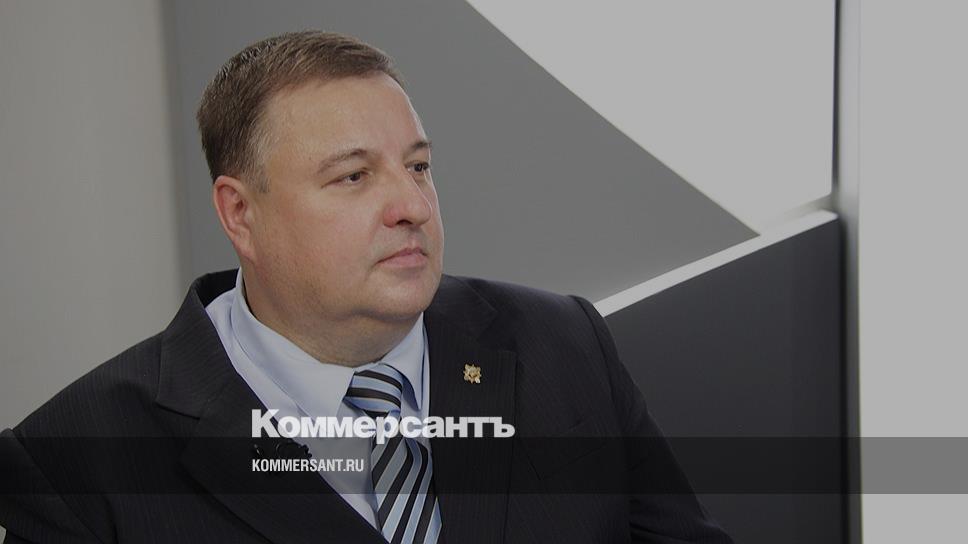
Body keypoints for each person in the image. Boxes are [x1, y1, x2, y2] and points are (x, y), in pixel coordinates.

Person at [0, 31, 732, 543]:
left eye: (417, 166)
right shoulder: (74, 462)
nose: (412, 205)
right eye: (353, 176)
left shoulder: (563, 342)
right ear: (240, 214)